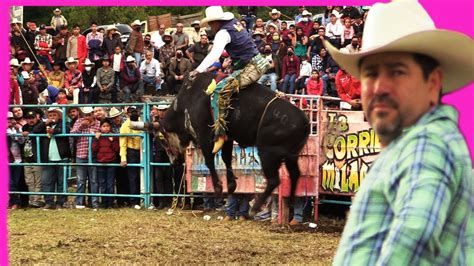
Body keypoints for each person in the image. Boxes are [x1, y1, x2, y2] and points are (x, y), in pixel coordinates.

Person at [326, 1, 474, 265]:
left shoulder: (428, 143)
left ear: (433, 84)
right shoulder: (416, 143)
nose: (380, 87)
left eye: (397, 72)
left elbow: (415, 233)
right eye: (370, 73)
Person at [190, 6, 270, 153]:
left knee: (219, 92)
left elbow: (214, 54)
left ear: (216, 22)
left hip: (251, 67)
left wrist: (198, 70)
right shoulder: (235, 23)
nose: (210, 27)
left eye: (211, 23)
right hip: (257, 62)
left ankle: (220, 134)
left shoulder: (223, 33)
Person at [33, 105, 71, 210]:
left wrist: (54, 131)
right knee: (47, 181)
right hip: (48, 158)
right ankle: (49, 202)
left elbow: (66, 130)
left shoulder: (64, 124)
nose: (52, 117)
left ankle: (60, 202)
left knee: (61, 181)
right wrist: (45, 123)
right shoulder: (44, 125)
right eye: (50, 115)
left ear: (59, 116)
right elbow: (35, 130)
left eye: (55, 115)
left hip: (62, 157)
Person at [70, 107, 100, 209]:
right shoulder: (79, 122)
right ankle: (79, 202)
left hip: (93, 155)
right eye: (85, 115)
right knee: (80, 180)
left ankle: (94, 202)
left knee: (94, 180)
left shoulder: (98, 123)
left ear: (93, 114)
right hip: (81, 154)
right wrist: (81, 127)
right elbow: (72, 135)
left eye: (89, 114)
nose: (87, 117)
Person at [92, 119, 119, 209]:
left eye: (107, 126)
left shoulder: (113, 136)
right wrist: (96, 139)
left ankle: (110, 202)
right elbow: (94, 149)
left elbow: (116, 149)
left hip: (111, 162)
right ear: (100, 127)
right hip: (101, 162)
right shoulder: (98, 136)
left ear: (110, 127)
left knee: (110, 183)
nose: (106, 128)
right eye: (103, 126)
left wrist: (112, 141)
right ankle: (104, 202)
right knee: (102, 184)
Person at [119, 106, 143, 209]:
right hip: (132, 151)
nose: (133, 113)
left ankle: (144, 198)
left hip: (143, 150)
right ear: (127, 114)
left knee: (144, 174)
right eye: (131, 112)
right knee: (133, 177)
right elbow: (123, 143)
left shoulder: (142, 121)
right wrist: (123, 157)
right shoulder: (125, 126)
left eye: (135, 111)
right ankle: (134, 201)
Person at [21, 110, 44, 207]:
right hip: (27, 156)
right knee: (29, 181)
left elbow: (37, 130)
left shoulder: (41, 125)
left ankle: (37, 200)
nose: (31, 120)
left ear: (37, 117)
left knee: (38, 180)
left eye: (32, 118)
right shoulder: (24, 127)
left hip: (37, 156)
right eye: (28, 118)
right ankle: (32, 200)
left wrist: (29, 133)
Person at [7, 112, 24, 209]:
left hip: (17, 159)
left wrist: (18, 130)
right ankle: (15, 202)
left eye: (10, 119)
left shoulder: (16, 129)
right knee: (9, 182)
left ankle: (14, 202)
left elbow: (21, 141)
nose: (9, 121)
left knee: (16, 182)